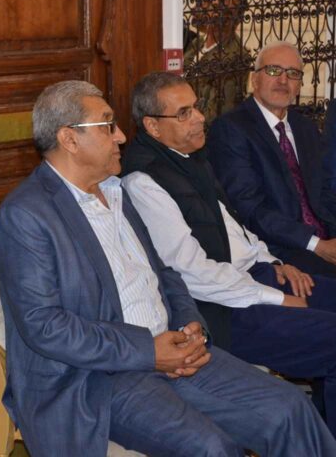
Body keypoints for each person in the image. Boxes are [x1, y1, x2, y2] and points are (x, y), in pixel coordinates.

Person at [0, 79, 336, 457]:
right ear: (69, 139)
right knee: (211, 447)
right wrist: (148, 352)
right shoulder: (27, 215)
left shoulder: (115, 192)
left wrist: (189, 325)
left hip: (171, 349)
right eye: (107, 126)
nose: (122, 136)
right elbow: (45, 326)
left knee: (290, 409)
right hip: (99, 377)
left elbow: (165, 272)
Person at [122, 71, 336, 435]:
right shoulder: (145, 182)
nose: (200, 117)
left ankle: (320, 427)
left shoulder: (188, 159)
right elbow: (191, 273)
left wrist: (274, 262)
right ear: (152, 126)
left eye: (197, 107)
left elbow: (234, 227)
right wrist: (275, 298)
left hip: (254, 278)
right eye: (184, 113)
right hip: (223, 311)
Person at [207, 41, 336, 277]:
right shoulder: (231, 129)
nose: (283, 80)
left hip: (323, 240)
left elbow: (325, 190)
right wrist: (317, 245)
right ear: (254, 79)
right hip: (278, 250)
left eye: (293, 73)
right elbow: (249, 208)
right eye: (274, 70)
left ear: (300, 84)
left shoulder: (305, 128)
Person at [184, 0, 252, 121]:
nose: (218, 14)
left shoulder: (236, 56)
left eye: (228, 12)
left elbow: (219, 112)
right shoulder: (197, 43)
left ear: (238, 20)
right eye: (215, 7)